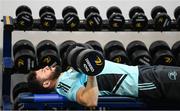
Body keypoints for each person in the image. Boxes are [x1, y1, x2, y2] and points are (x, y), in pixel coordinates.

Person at [27, 60, 180, 107]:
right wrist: (91, 72)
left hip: (141, 71)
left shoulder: (66, 74)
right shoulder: (63, 85)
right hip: (142, 82)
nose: (45, 67)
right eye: (42, 71)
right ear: (46, 84)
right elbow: (89, 101)